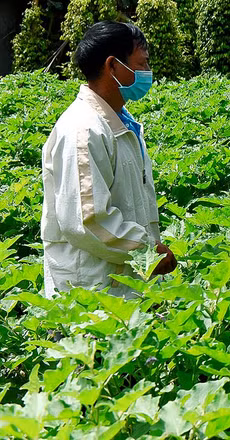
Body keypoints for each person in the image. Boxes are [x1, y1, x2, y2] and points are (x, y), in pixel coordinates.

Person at [41, 21, 176, 299]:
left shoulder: (120, 123)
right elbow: (88, 220)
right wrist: (148, 252)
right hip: (91, 293)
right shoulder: (84, 130)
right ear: (113, 66)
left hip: (121, 285)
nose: (147, 73)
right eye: (141, 64)